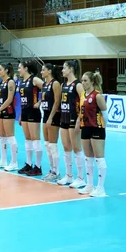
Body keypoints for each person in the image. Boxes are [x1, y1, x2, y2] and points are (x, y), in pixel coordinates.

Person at [75, 71, 108, 197]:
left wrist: (103, 127)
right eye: (82, 80)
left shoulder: (97, 96)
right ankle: (89, 185)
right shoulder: (83, 95)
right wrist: (79, 121)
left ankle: (100, 188)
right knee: (88, 158)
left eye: (85, 81)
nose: (83, 83)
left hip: (97, 128)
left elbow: (106, 115)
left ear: (92, 82)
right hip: (86, 128)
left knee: (99, 158)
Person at [57, 60, 86, 188]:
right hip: (64, 118)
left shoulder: (78, 85)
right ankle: (69, 176)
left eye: (64, 68)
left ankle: (81, 178)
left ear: (71, 69)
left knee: (76, 148)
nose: (62, 70)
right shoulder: (64, 84)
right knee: (66, 147)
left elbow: (83, 102)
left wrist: (80, 119)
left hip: (74, 118)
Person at [17, 60, 44, 175]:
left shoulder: (34, 80)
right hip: (24, 112)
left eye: (20, 68)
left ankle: (38, 167)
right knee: (27, 139)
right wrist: (20, 115)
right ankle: (29, 164)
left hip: (33, 112)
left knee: (35, 139)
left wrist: (40, 102)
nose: (18, 70)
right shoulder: (21, 82)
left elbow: (48, 89)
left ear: (26, 68)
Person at [0, 63, 18, 169]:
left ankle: (14, 162)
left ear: (6, 70)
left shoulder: (10, 82)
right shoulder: (0, 82)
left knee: (10, 136)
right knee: (1, 136)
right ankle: (3, 160)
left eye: (0, 69)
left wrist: (0, 109)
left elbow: (10, 99)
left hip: (8, 111)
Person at [40, 63, 63, 182]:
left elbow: (57, 101)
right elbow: (44, 98)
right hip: (45, 115)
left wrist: (51, 117)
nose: (41, 72)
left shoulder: (55, 83)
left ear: (49, 71)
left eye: (43, 70)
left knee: (53, 145)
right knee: (47, 144)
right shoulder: (44, 84)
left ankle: (57, 172)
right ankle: (51, 169)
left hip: (53, 116)